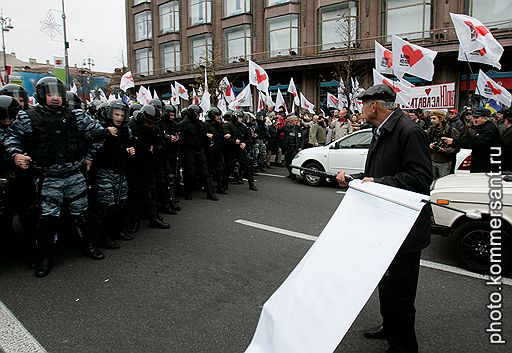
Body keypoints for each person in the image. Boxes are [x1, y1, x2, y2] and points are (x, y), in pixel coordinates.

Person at [336, 84, 432, 353]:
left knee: (400, 294)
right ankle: (390, 326)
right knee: (386, 284)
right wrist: (356, 181)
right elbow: (379, 173)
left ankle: (403, 346)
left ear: (374, 105)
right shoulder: (383, 129)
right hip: (386, 223)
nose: (360, 110)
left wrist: (377, 181)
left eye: (362, 104)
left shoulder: (409, 131)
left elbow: (421, 179)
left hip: (404, 229)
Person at [4, 77, 106, 278]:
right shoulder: (27, 117)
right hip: (48, 177)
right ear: (41, 95)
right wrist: (16, 155)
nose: (55, 98)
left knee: (82, 214)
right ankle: (44, 258)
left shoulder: (75, 115)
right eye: (50, 94)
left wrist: (90, 156)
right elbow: (11, 136)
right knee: (48, 220)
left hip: (74, 174)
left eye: (58, 94)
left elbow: (98, 131)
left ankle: (89, 246)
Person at [92, 100, 135, 249]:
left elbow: (128, 145)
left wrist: (130, 150)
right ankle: (104, 236)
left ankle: (117, 230)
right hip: (104, 172)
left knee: (121, 203)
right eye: (116, 114)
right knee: (107, 206)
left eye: (122, 115)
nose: (119, 118)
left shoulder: (126, 130)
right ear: (110, 114)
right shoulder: (102, 128)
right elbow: (92, 147)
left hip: (120, 172)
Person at [127, 104, 171, 233]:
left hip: (149, 164)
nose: (150, 125)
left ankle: (154, 217)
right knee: (134, 193)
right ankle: (134, 221)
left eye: (153, 123)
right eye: (148, 123)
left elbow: (162, 145)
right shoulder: (131, 125)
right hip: (133, 165)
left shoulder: (155, 127)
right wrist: (143, 148)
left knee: (151, 190)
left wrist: (155, 148)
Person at [177, 104, 218, 201]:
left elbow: (203, 135)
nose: (198, 116)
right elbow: (180, 139)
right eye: (197, 114)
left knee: (205, 171)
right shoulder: (182, 124)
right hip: (188, 151)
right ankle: (188, 191)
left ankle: (209, 193)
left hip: (199, 150)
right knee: (189, 172)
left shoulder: (200, 124)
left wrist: (209, 142)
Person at [442, 108, 501, 173]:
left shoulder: (489, 129)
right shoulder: (481, 127)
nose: (474, 120)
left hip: (486, 165)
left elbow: (475, 142)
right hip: (481, 162)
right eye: (473, 117)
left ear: (485, 118)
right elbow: (468, 139)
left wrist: (454, 142)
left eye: (476, 117)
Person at [426, 111, 459, 179]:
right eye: (431, 119)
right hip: (432, 160)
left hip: (445, 162)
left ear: (441, 119)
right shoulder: (430, 130)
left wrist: (445, 150)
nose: (432, 121)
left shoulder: (451, 130)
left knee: (444, 182)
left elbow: (457, 147)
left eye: (434, 118)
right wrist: (429, 146)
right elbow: (424, 143)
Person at [204, 107, 227, 194]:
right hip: (210, 151)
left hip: (219, 150)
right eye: (217, 115)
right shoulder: (206, 125)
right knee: (209, 170)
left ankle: (220, 187)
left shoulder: (220, 125)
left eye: (219, 115)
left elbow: (221, 135)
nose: (219, 117)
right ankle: (208, 188)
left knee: (220, 169)